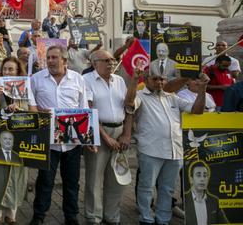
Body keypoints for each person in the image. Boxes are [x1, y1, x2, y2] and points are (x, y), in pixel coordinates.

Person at [124, 61, 209, 225]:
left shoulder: (172, 97)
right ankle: (146, 218)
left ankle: (163, 220)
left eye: (162, 79)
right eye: (155, 79)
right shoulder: (140, 96)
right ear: (146, 80)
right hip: (150, 150)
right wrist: (134, 80)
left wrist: (202, 88)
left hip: (174, 151)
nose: (159, 83)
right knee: (146, 188)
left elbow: (197, 110)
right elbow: (129, 103)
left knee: (168, 189)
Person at [29, 44, 93, 225]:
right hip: (47, 140)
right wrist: (39, 111)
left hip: (72, 141)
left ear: (65, 60)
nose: (49, 61)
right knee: (45, 181)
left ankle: (71, 218)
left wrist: (87, 137)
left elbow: (84, 108)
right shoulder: (36, 78)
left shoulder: (78, 79)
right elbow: (30, 105)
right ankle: (38, 216)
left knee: (72, 183)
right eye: (48, 58)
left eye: (54, 58)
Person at [82, 50, 133, 225]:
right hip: (98, 132)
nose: (111, 62)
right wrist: (105, 137)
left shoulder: (119, 80)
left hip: (120, 133)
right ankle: (94, 216)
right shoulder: (86, 80)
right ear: (94, 63)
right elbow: (88, 112)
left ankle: (112, 216)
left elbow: (129, 108)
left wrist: (126, 134)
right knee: (94, 178)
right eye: (105, 60)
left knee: (117, 178)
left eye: (111, 59)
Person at [0, 56, 37, 225]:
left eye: (11, 69)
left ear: (18, 73)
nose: (7, 72)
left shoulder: (26, 90)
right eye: (5, 69)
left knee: (16, 174)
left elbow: (34, 115)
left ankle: (12, 216)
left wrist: (19, 109)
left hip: (19, 139)